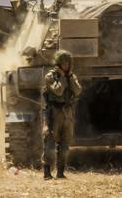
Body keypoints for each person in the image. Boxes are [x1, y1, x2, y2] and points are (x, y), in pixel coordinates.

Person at [42, 49, 81, 180]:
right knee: (49, 143)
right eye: (64, 63)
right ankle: (47, 172)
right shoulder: (50, 76)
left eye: (68, 63)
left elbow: (77, 91)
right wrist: (63, 77)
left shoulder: (71, 76)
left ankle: (60, 172)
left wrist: (69, 77)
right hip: (54, 112)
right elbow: (58, 91)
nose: (66, 65)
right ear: (58, 63)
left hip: (67, 112)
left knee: (65, 144)